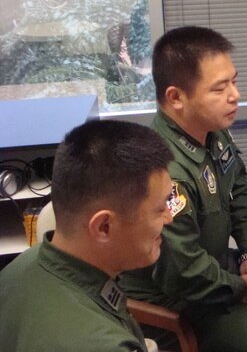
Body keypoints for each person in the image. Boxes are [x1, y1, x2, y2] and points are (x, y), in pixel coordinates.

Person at [119, 26, 247, 352]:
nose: (235, 95)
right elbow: (183, 272)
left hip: (216, 269)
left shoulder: (210, 130)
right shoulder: (165, 174)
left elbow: (239, 194)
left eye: (234, 81)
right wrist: (239, 287)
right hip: (177, 301)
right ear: (176, 97)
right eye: (219, 88)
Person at [0, 120, 174, 351]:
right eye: (160, 209)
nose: (169, 217)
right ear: (103, 226)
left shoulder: (21, 267)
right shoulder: (102, 344)